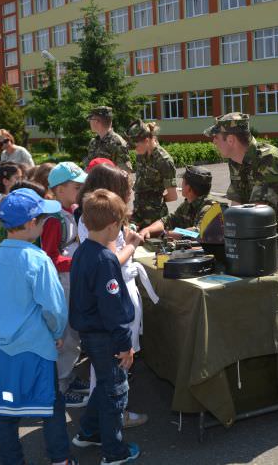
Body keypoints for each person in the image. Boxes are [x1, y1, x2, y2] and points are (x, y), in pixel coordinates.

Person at [0, 188, 77, 465]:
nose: (45, 224)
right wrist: (56, 334)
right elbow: (53, 307)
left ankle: (12, 460)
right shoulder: (39, 259)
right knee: (50, 405)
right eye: (43, 219)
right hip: (36, 348)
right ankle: (60, 459)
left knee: (5, 408)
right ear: (31, 224)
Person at [76, 163, 153, 429]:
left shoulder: (97, 219)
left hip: (112, 300)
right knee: (113, 366)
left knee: (111, 367)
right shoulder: (96, 226)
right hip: (111, 305)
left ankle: (100, 418)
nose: (130, 191)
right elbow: (112, 262)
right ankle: (113, 419)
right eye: (126, 188)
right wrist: (130, 245)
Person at [69, 189, 141, 464]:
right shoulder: (105, 260)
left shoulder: (84, 251)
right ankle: (114, 452)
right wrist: (125, 345)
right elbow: (112, 309)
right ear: (112, 226)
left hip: (90, 333)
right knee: (116, 392)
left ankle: (89, 432)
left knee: (104, 384)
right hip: (106, 336)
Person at [205, 112, 278, 289]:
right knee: (264, 296)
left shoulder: (269, 159)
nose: (213, 141)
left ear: (231, 140)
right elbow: (237, 204)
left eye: (216, 137)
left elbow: (258, 212)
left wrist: (230, 234)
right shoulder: (235, 161)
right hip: (260, 234)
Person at [45, 162, 89, 407]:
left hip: (71, 276)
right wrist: (79, 260)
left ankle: (68, 377)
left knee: (73, 334)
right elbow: (50, 256)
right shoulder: (53, 218)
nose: (80, 190)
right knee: (66, 335)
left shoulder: (68, 210)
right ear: (59, 189)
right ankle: (61, 387)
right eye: (76, 186)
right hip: (63, 282)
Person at [139, 165, 214, 239]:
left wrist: (164, 234)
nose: (181, 185)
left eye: (183, 182)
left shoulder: (209, 208)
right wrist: (148, 230)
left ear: (189, 188)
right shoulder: (188, 204)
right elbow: (167, 220)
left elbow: (196, 233)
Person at [127, 120, 177, 228]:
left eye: (136, 146)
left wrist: (154, 201)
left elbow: (173, 196)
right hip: (138, 214)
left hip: (155, 219)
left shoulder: (164, 161)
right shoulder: (141, 155)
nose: (134, 150)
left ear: (146, 140)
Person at [84, 106, 132, 173]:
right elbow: (88, 167)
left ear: (97, 121)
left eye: (90, 119)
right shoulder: (93, 142)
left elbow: (124, 173)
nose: (89, 122)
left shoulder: (117, 143)